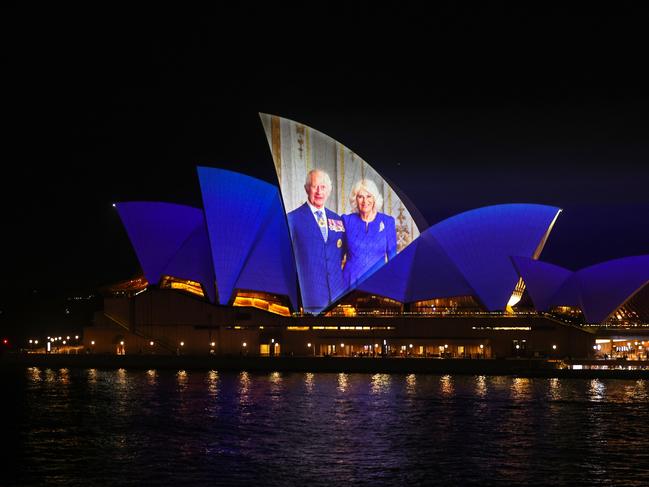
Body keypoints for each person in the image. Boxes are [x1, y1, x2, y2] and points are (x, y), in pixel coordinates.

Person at [287, 169, 347, 314]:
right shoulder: (292, 219)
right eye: (315, 186)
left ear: (329, 190)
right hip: (309, 300)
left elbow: (343, 254)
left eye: (323, 187)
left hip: (337, 299)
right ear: (307, 188)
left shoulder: (338, 220)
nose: (319, 191)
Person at [342, 179, 397, 289]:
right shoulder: (346, 221)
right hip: (350, 284)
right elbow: (337, 255)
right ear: (355, 200)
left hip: (378, 283)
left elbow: (393, 259)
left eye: (369, 196)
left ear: (375, 198)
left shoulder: (388, 222)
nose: (364, 201)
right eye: (360, 196)